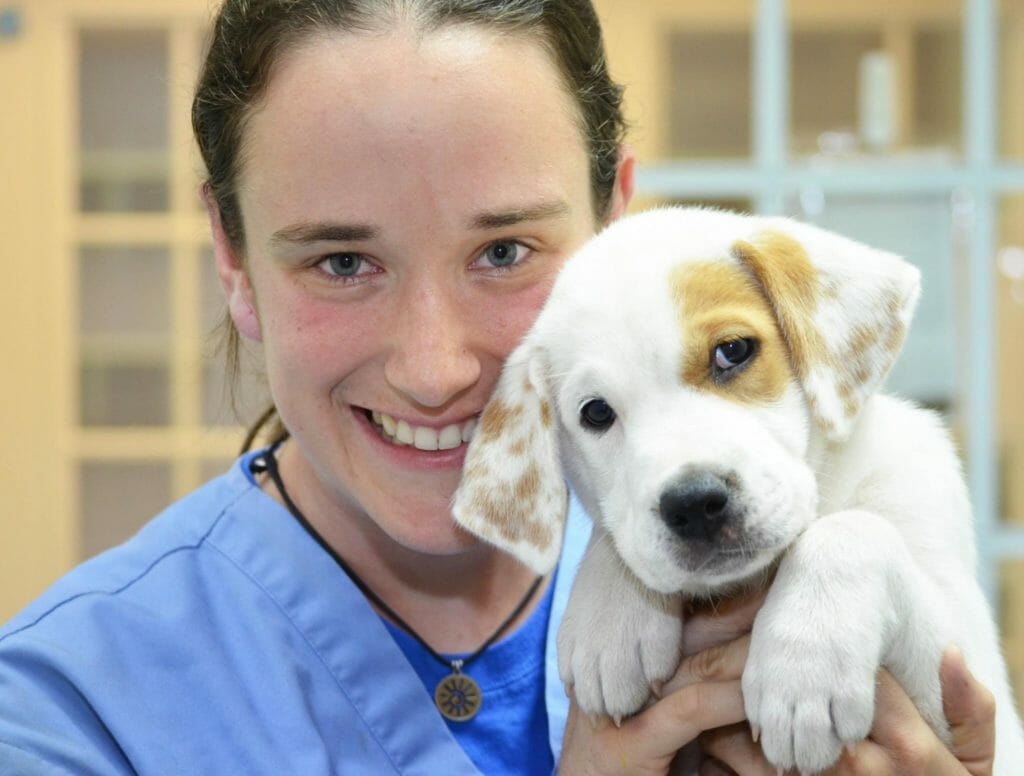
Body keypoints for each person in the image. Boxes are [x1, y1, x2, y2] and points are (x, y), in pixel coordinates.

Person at [0, 1, 999, 773]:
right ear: (232, 253)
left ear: (616, 213)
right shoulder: (65, 709)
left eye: (506, 248)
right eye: (342, 262)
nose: (433, 369)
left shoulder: (773, 514)